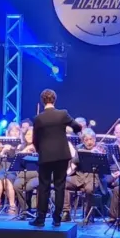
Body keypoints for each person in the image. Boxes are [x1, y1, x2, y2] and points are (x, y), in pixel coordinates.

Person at [29, 89, 82, 227]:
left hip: (45, 156)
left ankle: (40, 219)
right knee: (60, 186)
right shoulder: (62, 114)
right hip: (61, 155)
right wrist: (68, 129)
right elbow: (78, 127)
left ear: (42, 101)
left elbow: (35, 140)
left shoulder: (38, 118)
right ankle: (57, 219)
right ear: (55, 100)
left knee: (44, 187)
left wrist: (40, 150)